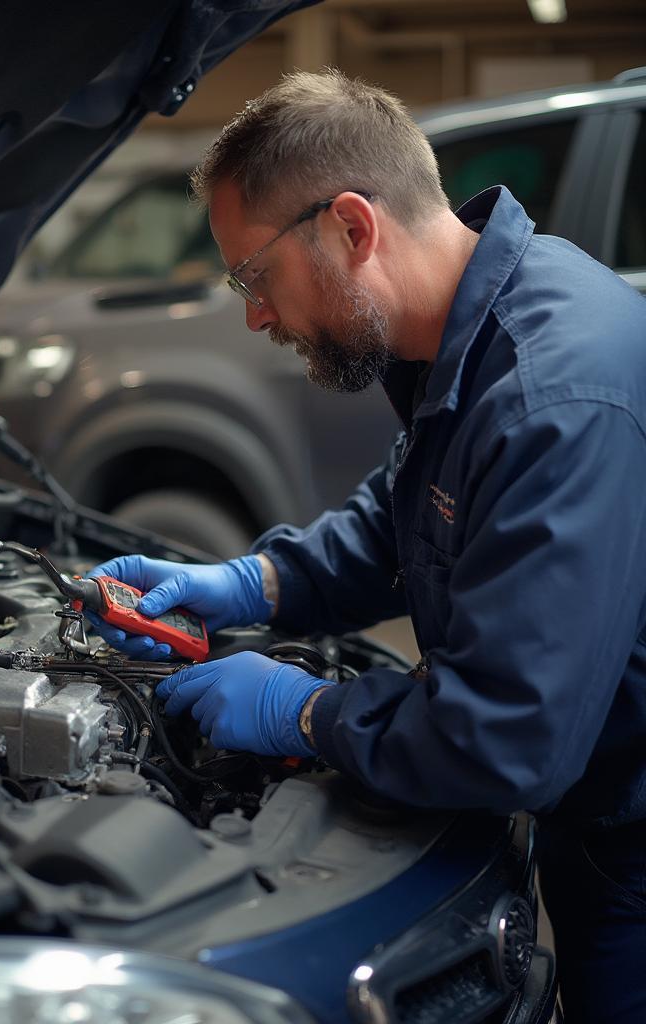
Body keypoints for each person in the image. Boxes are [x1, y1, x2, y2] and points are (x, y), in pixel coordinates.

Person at [86, 70, 646, 1023]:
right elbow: (404, 517)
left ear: (352, 226)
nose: (255, 315)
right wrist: (248, 581)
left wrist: (305, 713)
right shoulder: (476, 336)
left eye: (253, 277)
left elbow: (505, 742)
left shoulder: (553, 397)